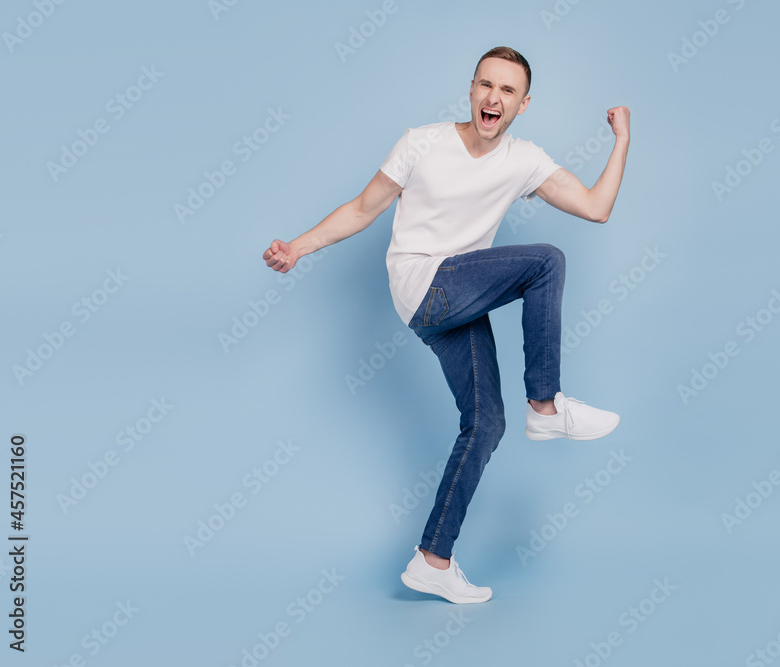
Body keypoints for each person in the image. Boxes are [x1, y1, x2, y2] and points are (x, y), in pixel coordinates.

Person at [263, 46, 630, 604]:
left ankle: (433, 560)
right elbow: (364, 208)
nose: (493, 97)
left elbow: (597, 207)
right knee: (546, 261)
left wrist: (622, 140)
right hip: (424, 285)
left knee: (485, 423)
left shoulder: (524, 160)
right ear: (471, 89)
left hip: (454, 305)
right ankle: (547, 407)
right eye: (486, 85)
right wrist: (297, 247)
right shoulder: (421, 143)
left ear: (522, 104)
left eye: (507, 91)